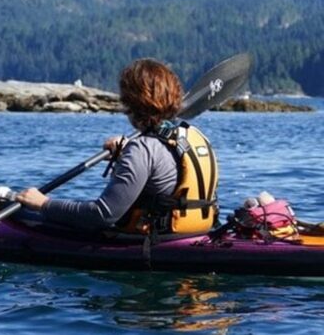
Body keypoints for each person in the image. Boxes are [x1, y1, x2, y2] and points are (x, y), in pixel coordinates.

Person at [16, 58, 217, 235]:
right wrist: (126, 152)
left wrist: (43, 204)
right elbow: (162, 166)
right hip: (197, 231)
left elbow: (103, 215)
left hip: (155, 241)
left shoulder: (141, 149)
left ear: (131, 101)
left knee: (22, 216)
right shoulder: (191, 136)